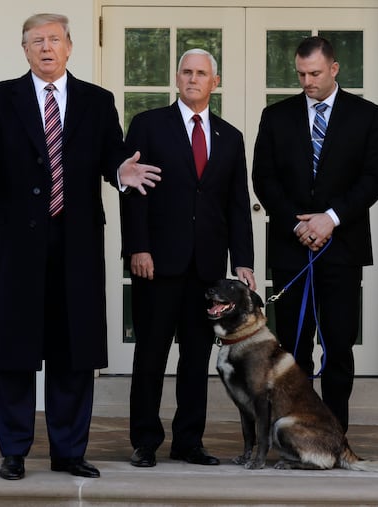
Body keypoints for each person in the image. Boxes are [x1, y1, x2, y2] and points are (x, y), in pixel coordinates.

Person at [0, 13, 161, 481]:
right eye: (36, 41)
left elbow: (112, 154)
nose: (46, 47)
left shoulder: (97, 100)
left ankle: (69, 451)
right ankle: (14, 450)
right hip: (15, 244)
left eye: (54, 39)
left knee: (74, 349)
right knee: (13, 350)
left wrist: (121, 173)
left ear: (70, 46)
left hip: (77, 242)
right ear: (24, 50)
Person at [121, 48, 255, 468]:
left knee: (196, 360)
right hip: (156, 263)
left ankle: (188, 442)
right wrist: (137, 248)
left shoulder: (231, 137)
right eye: (186, 72)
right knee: (151, 355)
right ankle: (145, 441)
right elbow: (133, 195)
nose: (193, 79)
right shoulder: (147, 125)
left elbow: (237, 204)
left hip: (207, 270)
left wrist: (243, 261)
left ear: (215, 82)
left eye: (201, 74)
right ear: (176, 78)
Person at [252, 36, 378, 432]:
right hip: (290, 246)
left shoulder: (365, 115)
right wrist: (300, 224)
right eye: (300, 74)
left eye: (314, 73)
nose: (307, 81)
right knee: (294, 350)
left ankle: (333, 433)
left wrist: (330, 218)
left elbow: (373, 179)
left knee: (339, 347)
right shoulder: (275, 116)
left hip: (342, 249)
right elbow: (264, 178)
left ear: (334, 68)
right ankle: (294, 431)